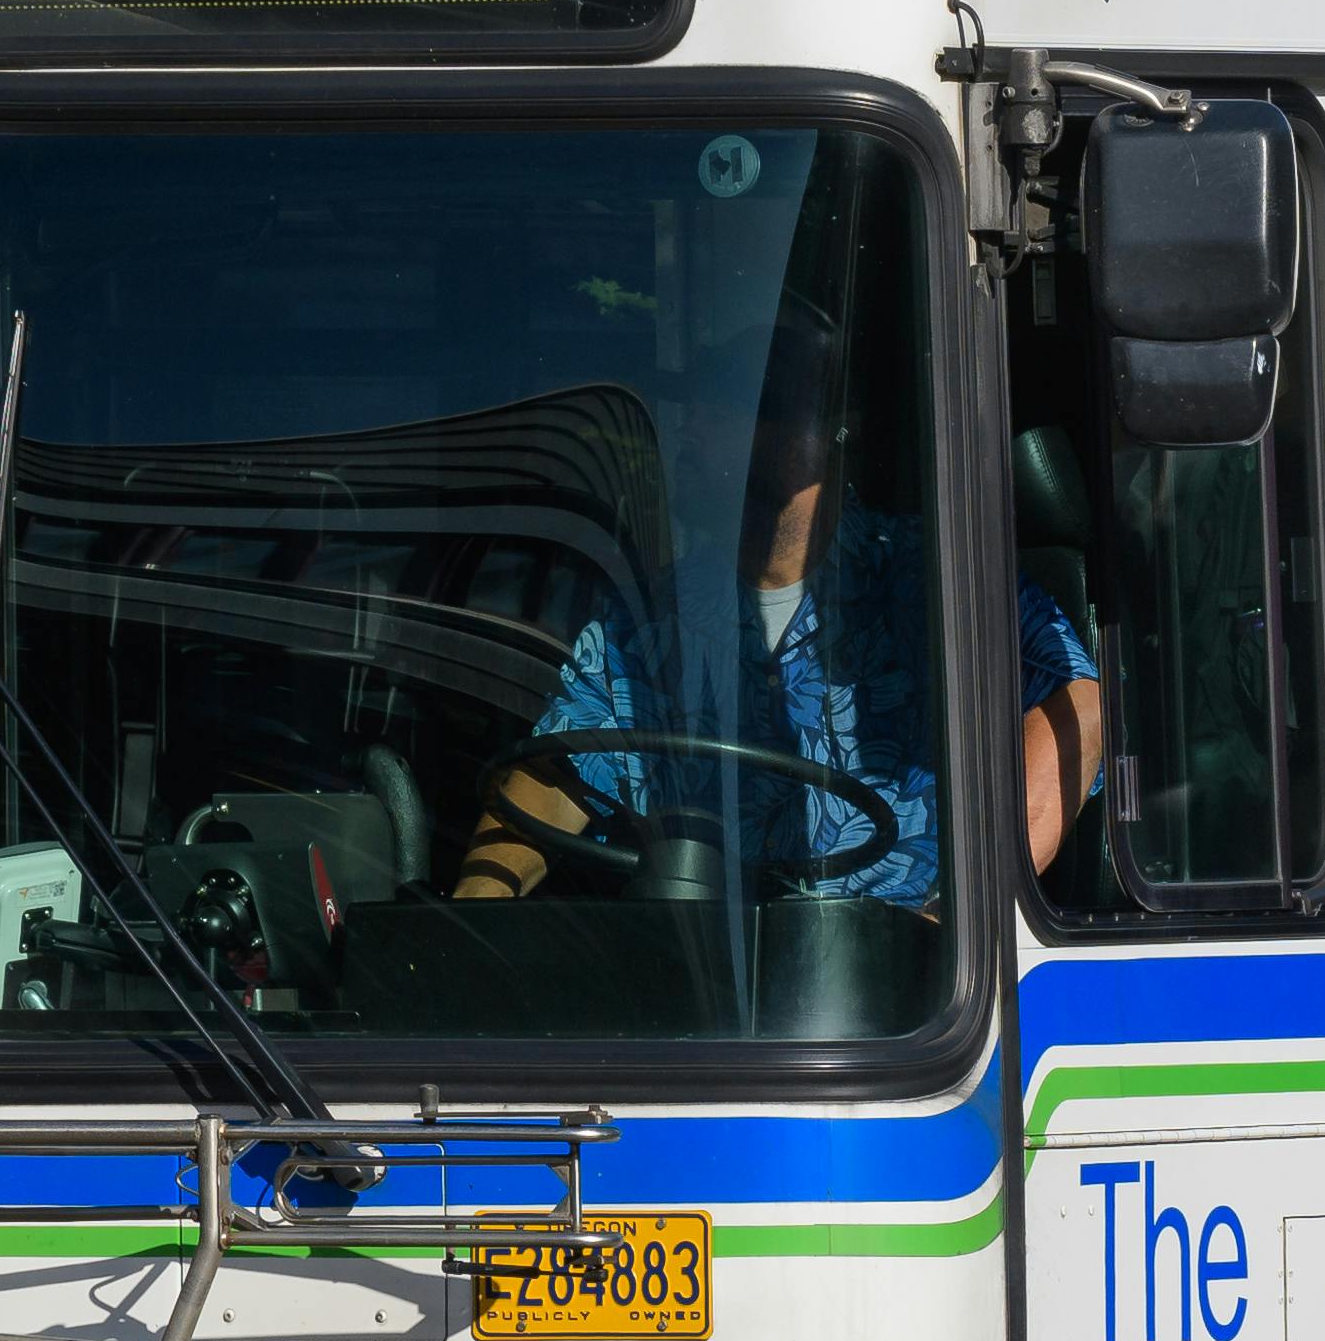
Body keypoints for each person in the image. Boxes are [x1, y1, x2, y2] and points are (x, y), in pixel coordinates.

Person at [453, 313, 1095, 907]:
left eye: (727, 405)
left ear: (812, 434)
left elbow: (1080, 707)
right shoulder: (647, 615)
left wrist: (950, 926)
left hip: (895, 994)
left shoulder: (936, 580)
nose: (690, 428)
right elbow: (559, 771)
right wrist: (479, 914)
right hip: (703, 983)